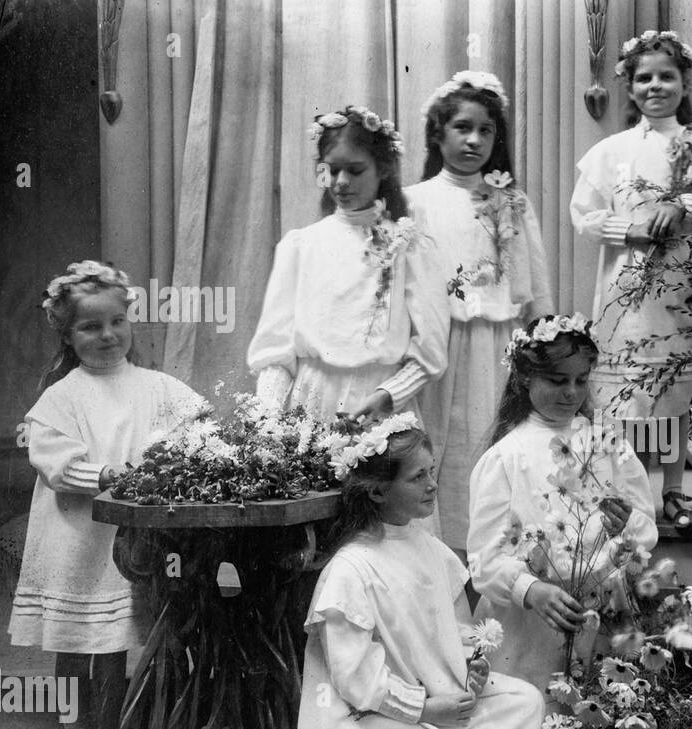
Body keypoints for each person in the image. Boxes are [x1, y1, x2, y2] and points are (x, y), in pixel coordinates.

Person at [297, 413, 543, 729]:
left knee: (525, 700)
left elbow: (458, 629)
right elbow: (354, 679)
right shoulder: (352, 568)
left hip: (440, 693)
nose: (432, 485)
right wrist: (424, 709)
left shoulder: (430, 548)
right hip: (378, 714)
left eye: (432, 472)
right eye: (418, 477)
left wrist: (473, 663)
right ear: (377, 490)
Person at [10, 261, 205, 729]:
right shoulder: (62, 396)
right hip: (78, 536)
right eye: (90, 326)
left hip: (137, 540)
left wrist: (185, 458)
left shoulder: (157, 387)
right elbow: (53, 458)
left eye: (116, 321)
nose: (107, 335)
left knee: (120, 640)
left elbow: (198, 431)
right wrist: (106, 474)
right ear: (67, 335)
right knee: (76, 642)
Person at [570, 29, 692, 529]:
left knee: (672, 389)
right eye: (644, 78)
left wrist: (683, 204)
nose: (655, 86)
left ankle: (671, 492)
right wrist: (628, 230)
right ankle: (619, 494)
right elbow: (583, 215)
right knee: (623, 393)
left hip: (682, 289)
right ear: (629, 87)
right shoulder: (612, 152)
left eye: (666, 76)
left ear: (684, 83)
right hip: (626, 292)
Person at [467, 315, 658, 692]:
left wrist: (626, 528)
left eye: (581, 381)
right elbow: (484, 561)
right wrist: (530, 589)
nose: (572, 392)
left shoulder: (608, 446)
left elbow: (644, 529)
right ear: (525, 378)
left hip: (601, 612)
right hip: (532, 624)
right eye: (558, 381)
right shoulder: (506, 458)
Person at [408, 71, 553, 553]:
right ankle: (442, 556)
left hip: (499, 346)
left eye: (485, 130)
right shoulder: (416, 201)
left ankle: (492, 558)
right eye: (461, 128)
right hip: (437, 347)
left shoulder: (510, 201)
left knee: (491, 444)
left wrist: (544, 348)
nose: (474, 140)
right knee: (441, 449)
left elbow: (535, 286)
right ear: (437, 133)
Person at [246, 104, 450, 423]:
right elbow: (275, 349)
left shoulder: (410, 246)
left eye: (355, 171)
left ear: (382, 169)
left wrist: (389, 395)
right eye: (331, 170)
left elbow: (431, 351)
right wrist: (268, 423)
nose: (340, 182)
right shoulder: (301, 245)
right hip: (309, 401)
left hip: (379, 406)